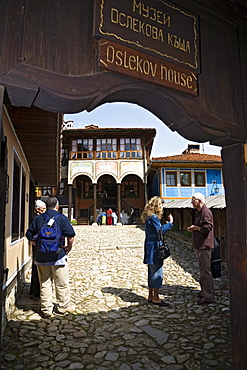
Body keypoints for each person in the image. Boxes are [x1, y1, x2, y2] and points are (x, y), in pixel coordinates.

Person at [26, 196, 76, 317]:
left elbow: (29, 234)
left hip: (41, 257)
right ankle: (63, 306)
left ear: (46, 206)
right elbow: (71, 236)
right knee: (61, 282)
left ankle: (46, 309)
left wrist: (36, 245)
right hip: (58, 256)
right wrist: (68, 248)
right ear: (57, 206)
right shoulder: (62, 218)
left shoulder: (38, 219)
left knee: (44, 283)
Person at [141, 196, 173, 307]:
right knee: (157, 271)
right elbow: (160, 230)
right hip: (155, 246)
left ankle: (150, 295)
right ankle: (156, 297)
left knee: (151, 270)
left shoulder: (148, 217)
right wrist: (170, 223)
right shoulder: (153, 217)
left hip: (150, 245)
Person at [187, 193, 215, 304]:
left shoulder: (205, 212)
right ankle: (204, 291)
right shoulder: (200, 212)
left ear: (199, 200)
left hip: (204, 246)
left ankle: (208, 296)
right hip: (199, 245)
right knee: (202, 270)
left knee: (205, 272)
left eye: (193, 200)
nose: (192, 202)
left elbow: (208, 227)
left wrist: (196, 228)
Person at [29, 200, 46, 297]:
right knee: (36, 267)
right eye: (42, 209)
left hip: (39, 244)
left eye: (44, 209)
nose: (44, 210)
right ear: (37, 209)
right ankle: (35, 290)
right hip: (37, 244)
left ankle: (37, 289)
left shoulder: (41, 217)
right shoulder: (36, 218)